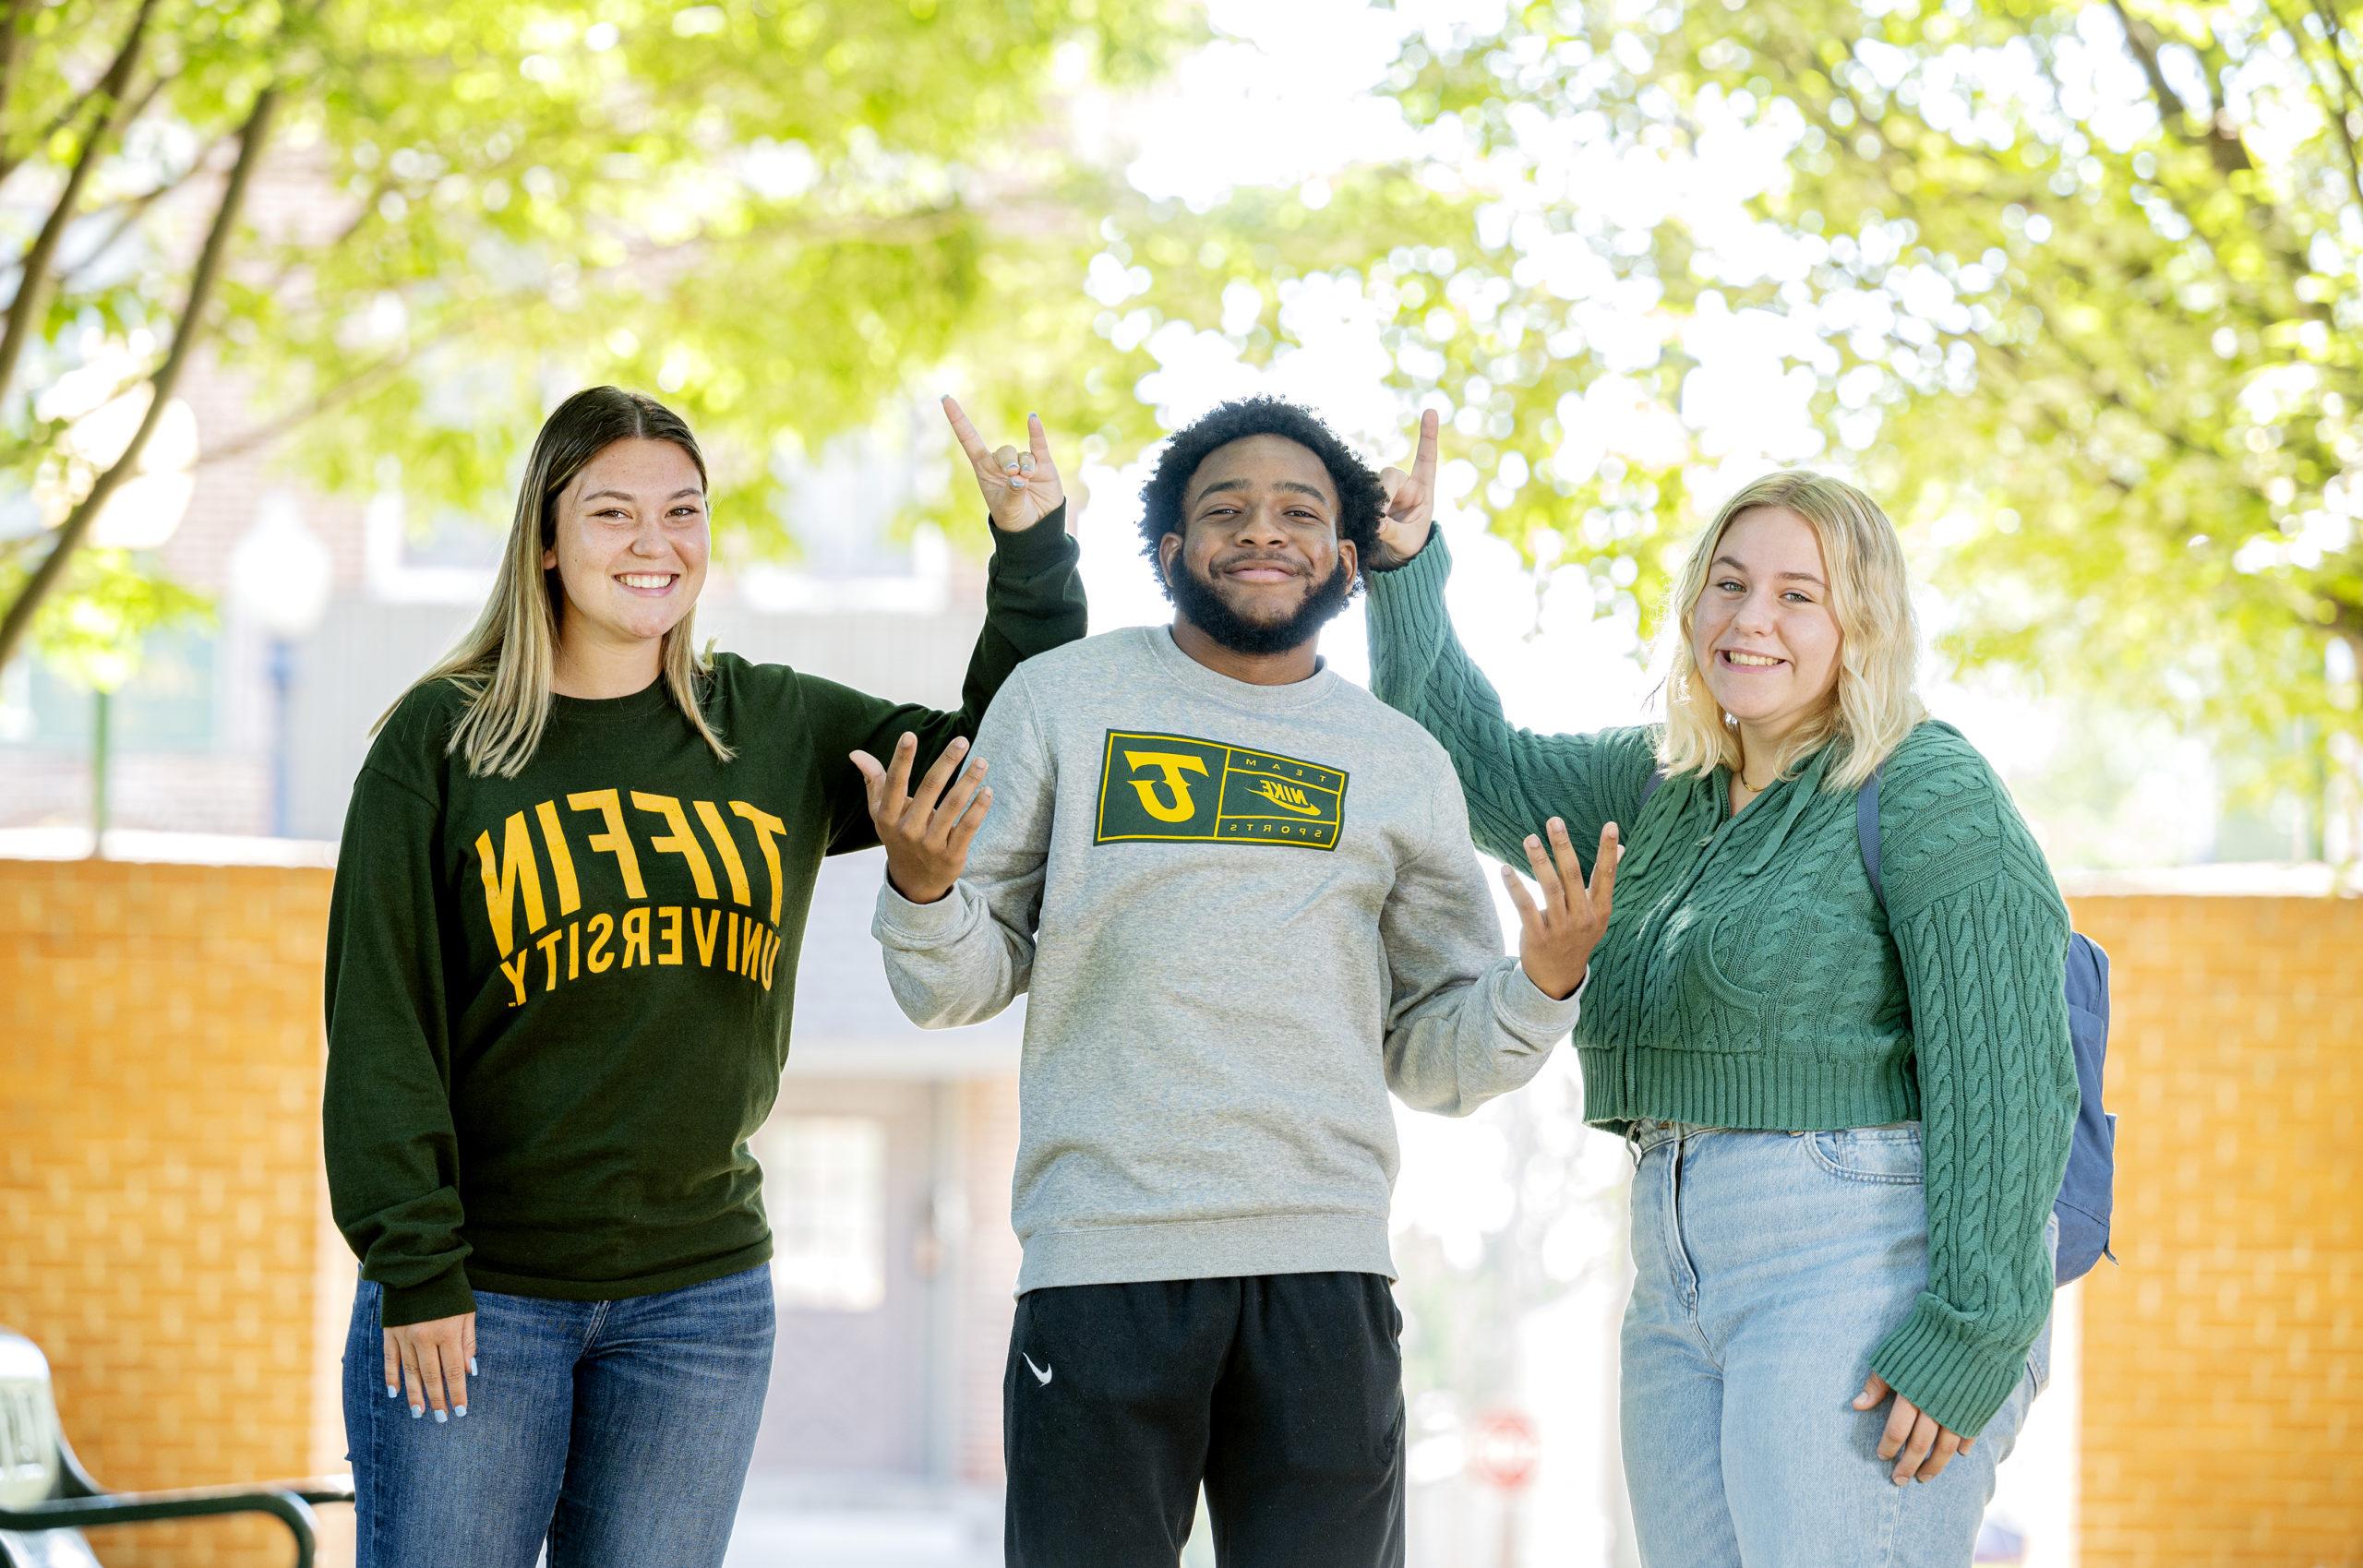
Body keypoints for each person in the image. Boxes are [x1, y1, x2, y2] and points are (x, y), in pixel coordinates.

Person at [321, 386, 1086, 1568]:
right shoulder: (444, 738)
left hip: (700, 1303)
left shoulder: (771, 728)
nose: (654, 543)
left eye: (683, 511)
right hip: (481, 1295)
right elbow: (379, 1022)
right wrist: (415, 1268)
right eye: (613, 512)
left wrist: (1032, 550)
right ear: (546, 537)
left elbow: (996, 754)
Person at [863, 397, 1616, 1567]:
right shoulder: (1063, 701)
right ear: (1169, 552)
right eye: (1225, 510)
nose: (1262, 530)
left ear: (1346, 559)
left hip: (1323, 1269)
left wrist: (1541, 984)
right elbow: (954, 984)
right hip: (1103, 1263)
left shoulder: (1400, 761)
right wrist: (920, 889)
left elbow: (1431, 1053)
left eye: (1298, 512)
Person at [1358, 413, 2078, 1566]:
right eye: (1729, 584)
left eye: (1800, 594)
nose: (1752, 620)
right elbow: (1463, 754)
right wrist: (1401, 568)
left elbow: (2009, 1073)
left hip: (1858, 1254)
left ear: (1865, 621)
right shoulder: (1662, 785)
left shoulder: (1927, 785)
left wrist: (1975, 1330)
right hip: (1672, 1268)